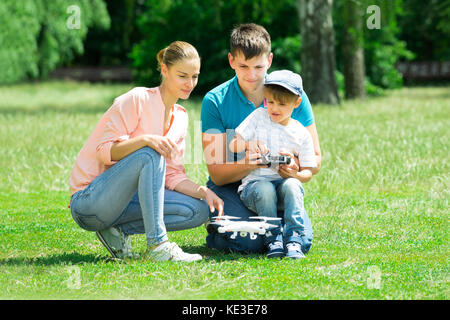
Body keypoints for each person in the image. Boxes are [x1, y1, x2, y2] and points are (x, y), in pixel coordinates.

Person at [69, 41, 224, 262]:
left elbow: (171, 174)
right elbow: (104, 151)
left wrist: (204, 191)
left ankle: (117, 231)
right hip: (89, 202)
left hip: (125, 205)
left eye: (195, 76)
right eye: (182, 76)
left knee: (198, 209)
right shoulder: (136, 98)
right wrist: (145, 140)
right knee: (150, 153)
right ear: (164, 70)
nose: (190, 83)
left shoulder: (180, 117)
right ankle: (158, 245)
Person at [201, 23, 322, 254]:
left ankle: (257, 226)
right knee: (252, 242)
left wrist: (294, 165)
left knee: (300, 242)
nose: (252, 75)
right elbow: (217, 173)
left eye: (258, 66)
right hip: (230, 185)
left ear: (270, 60)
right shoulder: (214, 101)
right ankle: (220, 230)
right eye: (243, 66)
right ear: (231, 61)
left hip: (277, 181)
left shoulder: (292, 95)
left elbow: (315, 158)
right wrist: (251, 162)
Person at [229, 70, 317, 259]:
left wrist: (294, 173)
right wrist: (248, 144)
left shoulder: (300, 133)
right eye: (270, 102)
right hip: (254, 188)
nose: (274, 108)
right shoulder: (258, 117)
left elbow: (308, 173)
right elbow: (233, 145)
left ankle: (294, 238)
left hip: (283, 188)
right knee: (265, 188)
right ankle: (273, 238)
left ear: (297, 103)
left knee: (293, 185)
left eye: (282, 104)